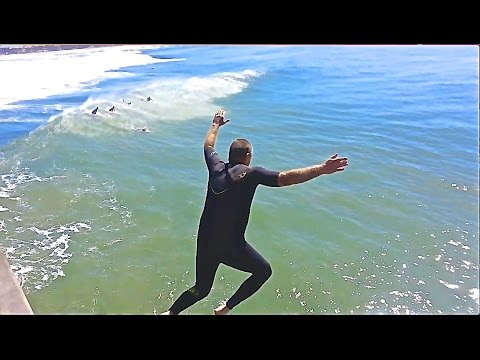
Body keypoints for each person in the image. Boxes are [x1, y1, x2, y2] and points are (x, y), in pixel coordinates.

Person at [161, 109, 349, 315]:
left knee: (202, 288)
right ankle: (225, 308)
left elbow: (208, 145)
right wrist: (322, 169)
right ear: (248, 155)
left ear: (231, 155)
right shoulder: (252, 174)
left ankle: (170, 313)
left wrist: (216, 124)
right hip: (231, 244)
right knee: (263, 271)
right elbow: (286, 178)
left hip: (206, 240)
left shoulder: (216, 167)